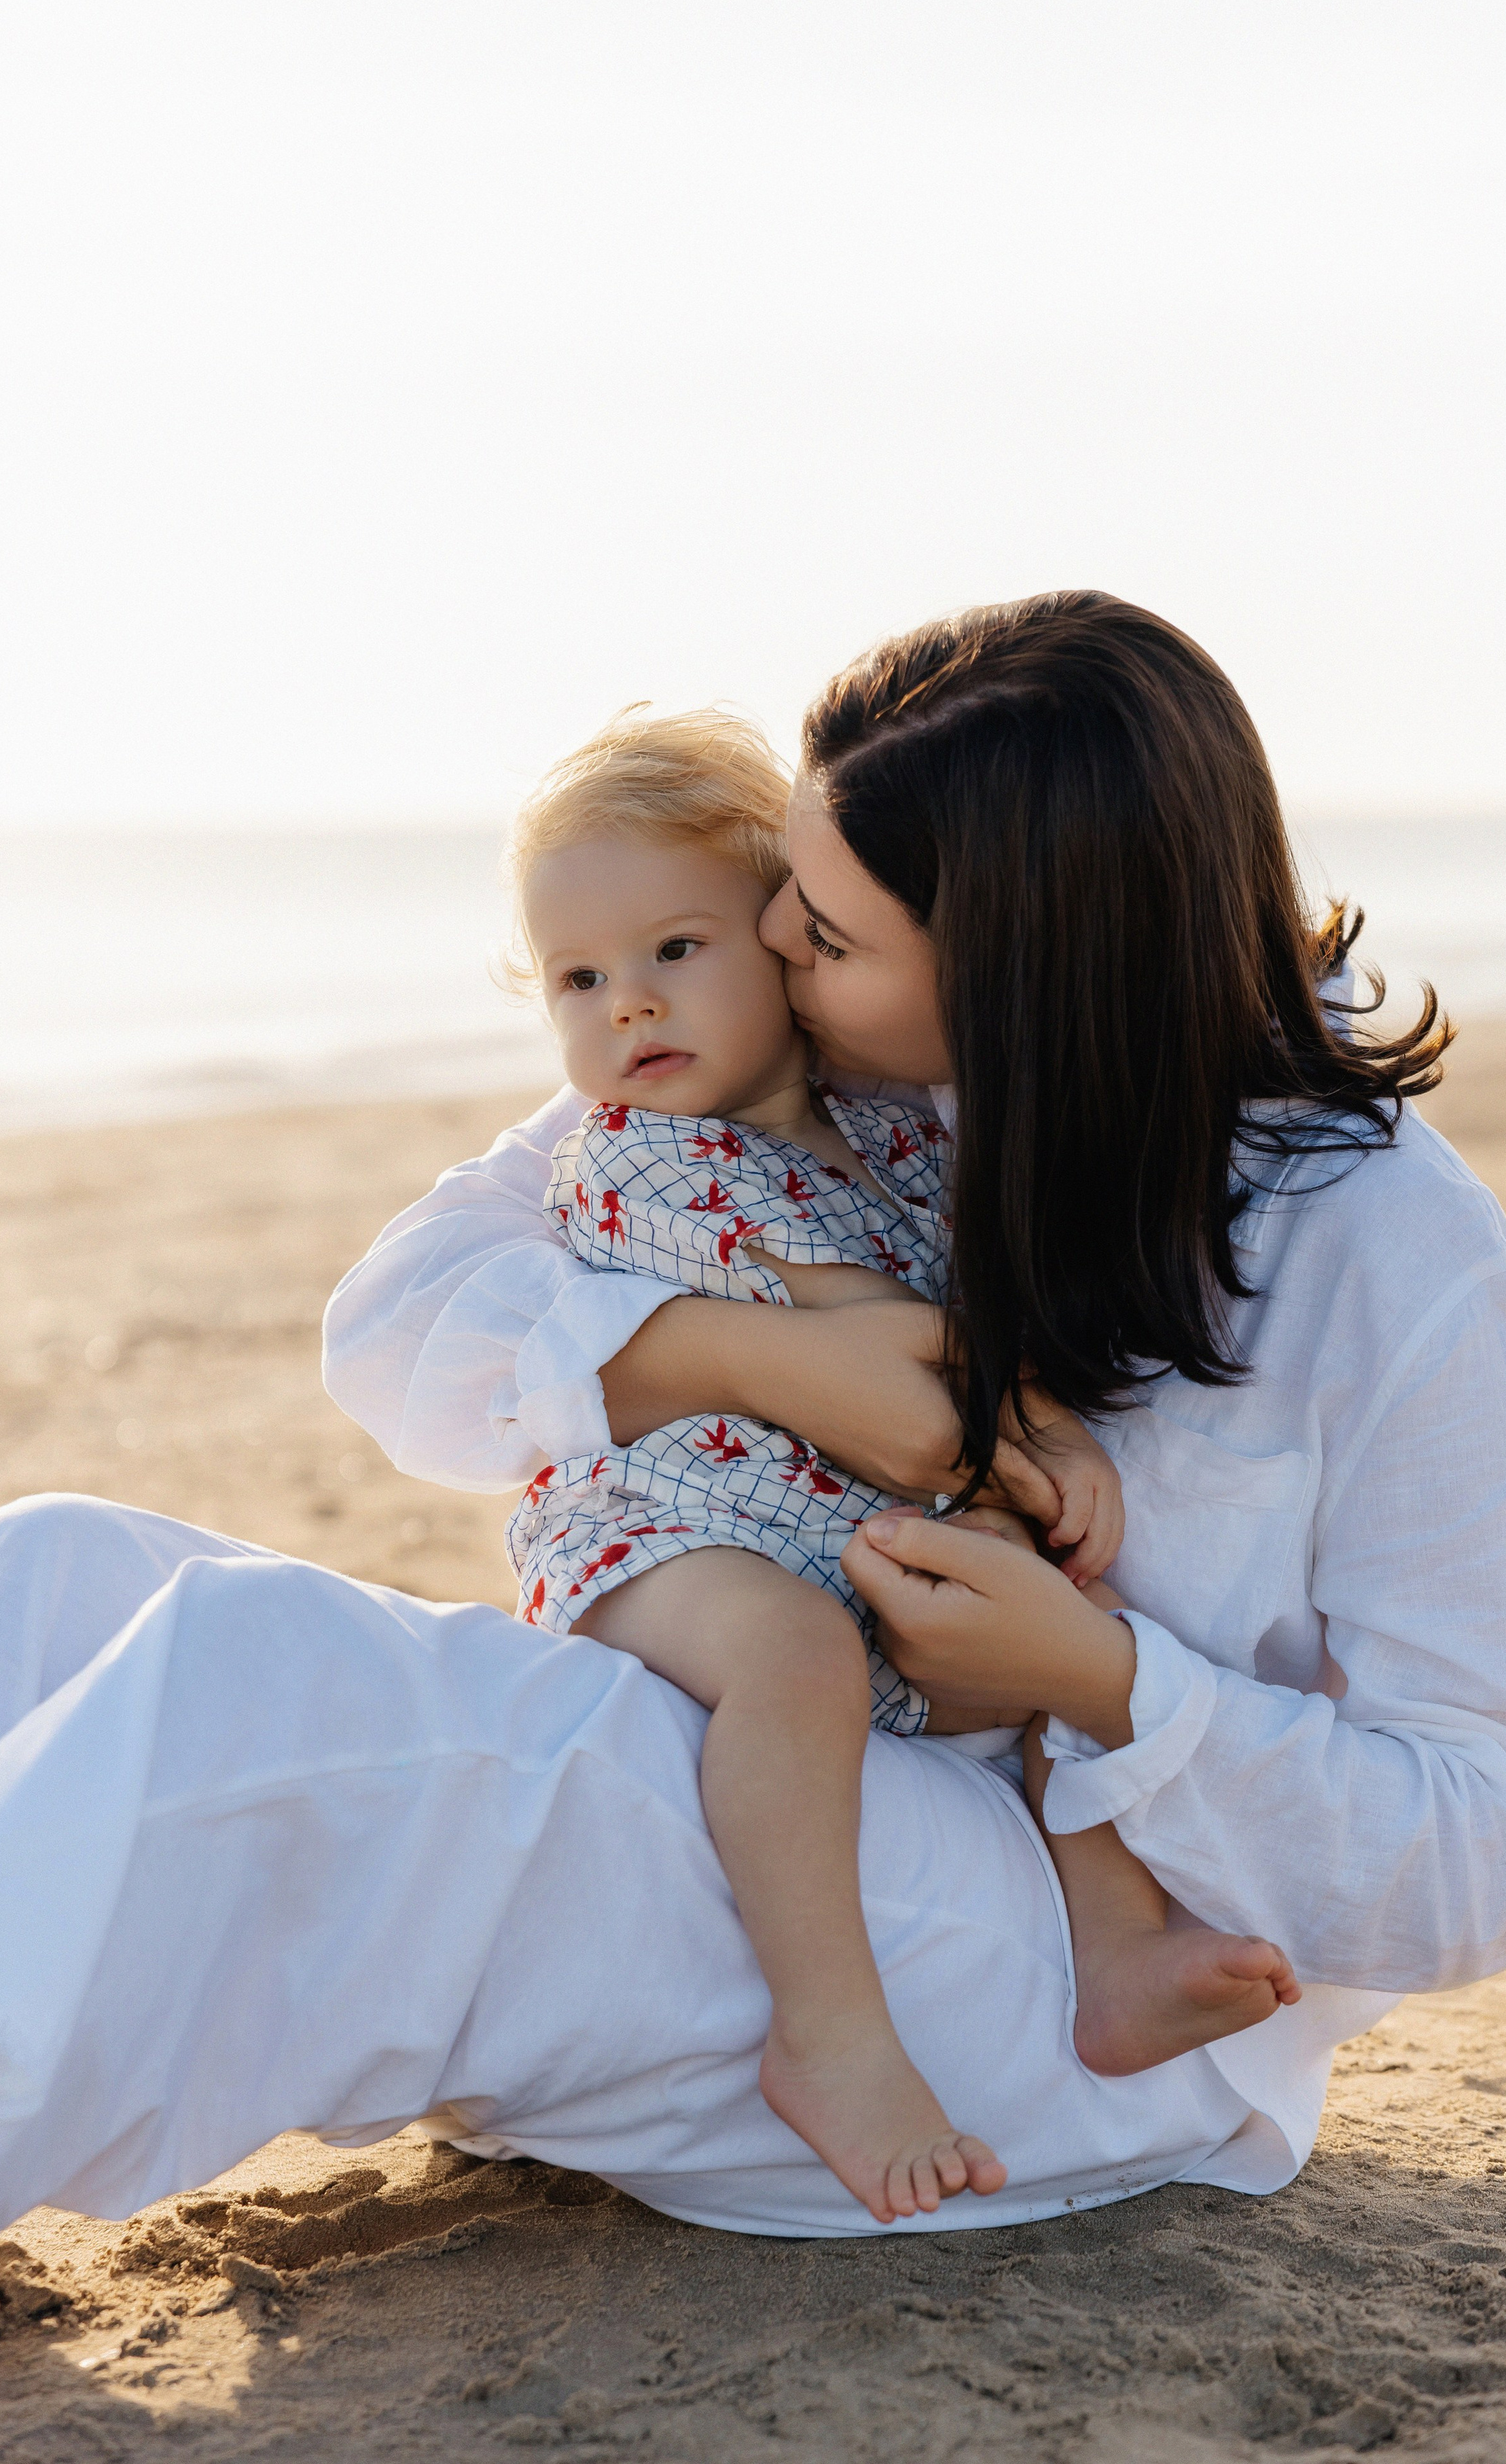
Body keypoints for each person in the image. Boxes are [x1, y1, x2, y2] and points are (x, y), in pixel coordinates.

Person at [0, 592, 1506, 2249]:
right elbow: (398, 1334)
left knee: (257, 1693)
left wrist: (1102, 1681)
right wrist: (744, 1359)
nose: (771, 951)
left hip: (1052, 1969)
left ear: (1023, 967)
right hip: (827, 1791)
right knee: (42, 1582)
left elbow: (1492, 1847)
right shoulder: (844, 1051)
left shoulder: (1386, 1254)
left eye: (822, 934)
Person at [495, 707, 1299, 2220]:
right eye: (578, 978)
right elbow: (898, 1334)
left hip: (845, 1539)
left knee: (1073, 1638)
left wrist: (1047, 1438)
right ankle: (832, 2036)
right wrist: (1036, 1429)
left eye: (676, 949)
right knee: (790, 1657)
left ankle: (1115, 1945)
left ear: (786, 947)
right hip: (666, 1542)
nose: (627, 1006)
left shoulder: (900, 1133)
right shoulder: (638, 1153)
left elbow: (980, 1320)